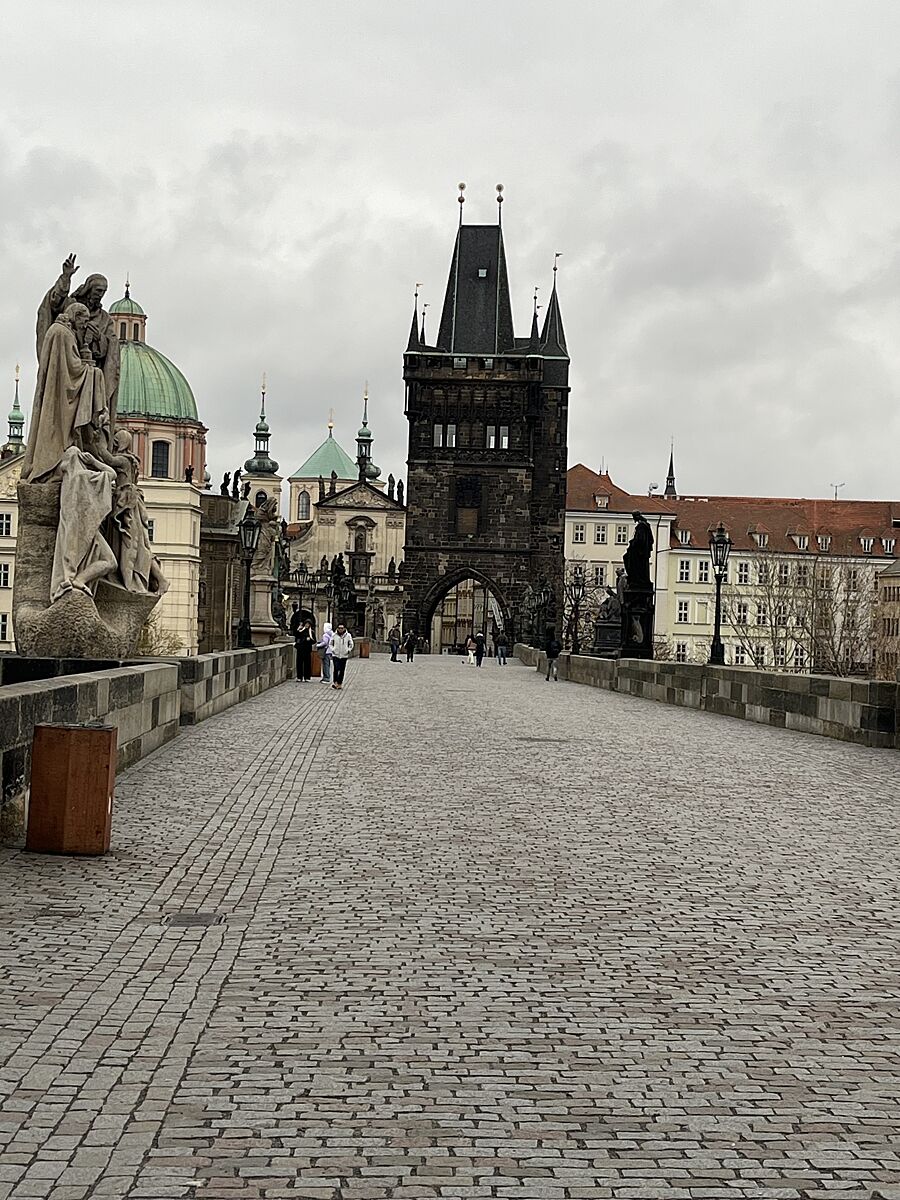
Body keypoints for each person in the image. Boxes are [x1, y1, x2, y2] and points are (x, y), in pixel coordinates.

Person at [330, 623, 353, 689]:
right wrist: (333, 649)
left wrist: (348, 650)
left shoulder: (348, 635)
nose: (340, 629)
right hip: (336, 654)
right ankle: (335, 682)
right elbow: (330, 643)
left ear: (344, 629)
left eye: (342, 628)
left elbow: (351, 644)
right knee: (336, 668)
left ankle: (340, 683)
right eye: (339, 628)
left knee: (342, 669)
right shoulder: (334, 635)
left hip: (344, 655)